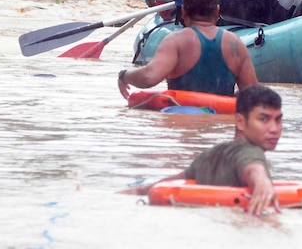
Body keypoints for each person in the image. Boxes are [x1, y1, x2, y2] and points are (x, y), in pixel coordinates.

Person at [120, 84, 283, 217]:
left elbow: (171, 182)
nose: (274, 129)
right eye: (264, 119)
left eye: (278, 120)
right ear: (240, 122)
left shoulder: (210, 155)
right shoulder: (251, 153)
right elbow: (253, 168)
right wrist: (262, 182)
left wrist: (138, 190)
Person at [117, 0, 258, 98]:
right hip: (221, 126)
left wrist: (124, 76)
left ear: (183, 11)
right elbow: (253, 94)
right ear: (217, 11)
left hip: (182, 121)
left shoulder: (175, 41)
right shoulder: (236, 44)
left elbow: (149, 77)